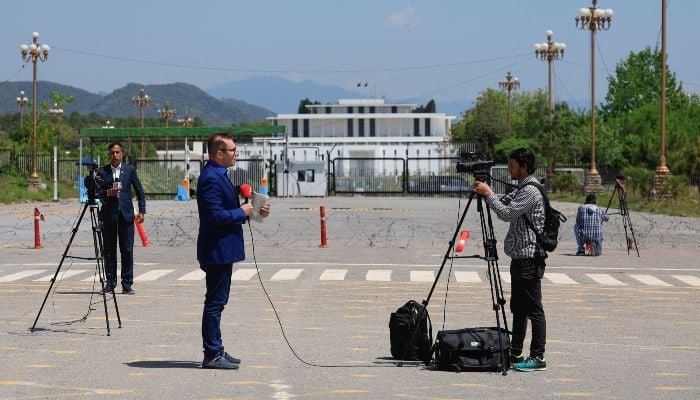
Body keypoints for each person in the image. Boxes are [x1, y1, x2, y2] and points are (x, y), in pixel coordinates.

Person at [197, 132, 271, 370]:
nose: (236, 154)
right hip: (216, 250)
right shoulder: (210, 178)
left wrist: (253, 209)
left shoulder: (220, 175)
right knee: (215, 303)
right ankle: (212, 353)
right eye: (232, 150)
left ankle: (216, 347)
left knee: (219, 301)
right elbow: (215, 216)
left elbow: (225, 207)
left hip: (223, 249)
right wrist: (243, 211)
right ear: (219, 153)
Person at [473, 148, 547, 372]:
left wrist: (488, 194)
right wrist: (488, 192)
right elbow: (503, 204)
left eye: (512, 165)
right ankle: (515, 352)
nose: (509, 169)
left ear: (523, 166)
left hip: (529, 258)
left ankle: (538, 357)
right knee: (519, 308)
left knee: (534, 309)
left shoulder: (531, 191)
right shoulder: (523, 187)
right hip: (519, 258)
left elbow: (506, 214)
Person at [97, 142, 146, 295]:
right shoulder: (102, 171)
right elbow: (98, 192)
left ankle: (127, 284)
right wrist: (107, 193)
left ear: (122, 154)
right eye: (112, 152)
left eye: (117, 152)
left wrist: (142, 211)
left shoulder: (129, 170)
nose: (115, 155)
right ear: (108, 154)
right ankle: (110, 283)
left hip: (126, 216)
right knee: (109, 251)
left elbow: (139, 190)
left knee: (127, 250)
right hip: (109, 216)